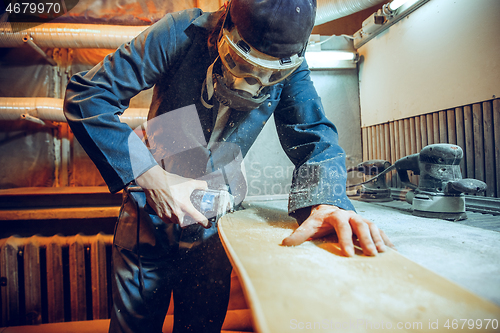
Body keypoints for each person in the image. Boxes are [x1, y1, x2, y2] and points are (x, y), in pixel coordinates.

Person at [64, 0, 395, 332]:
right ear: (225, 25)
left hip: (213, 221)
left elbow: (314, 135)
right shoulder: (180, 33)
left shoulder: (292, 66)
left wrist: (328, 199)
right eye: (244, 64)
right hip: (150, 213)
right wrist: (151, 178)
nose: (253, 84)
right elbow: (88, 96)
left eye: (271, 75)